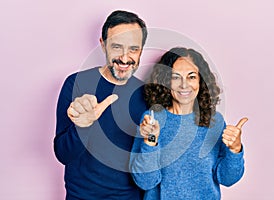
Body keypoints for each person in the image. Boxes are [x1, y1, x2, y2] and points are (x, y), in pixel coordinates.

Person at [130, 47, 248, 199]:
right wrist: (151, 142)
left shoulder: (215, 122)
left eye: (191, 77)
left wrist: (235, 150)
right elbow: (145, 182)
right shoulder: (152, 119)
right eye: (176, 77)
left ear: (201, 80)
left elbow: (227, 178)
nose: (184, 85)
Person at [54, 10, 148, 199]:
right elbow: (63, 154)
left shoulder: (146, 95)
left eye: (133, 49)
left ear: (141, 51)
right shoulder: (76, 84)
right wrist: (82, 127)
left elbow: (147, 161)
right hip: (81, 196)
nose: (124, 57)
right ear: (103, 45)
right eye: (116, 47)